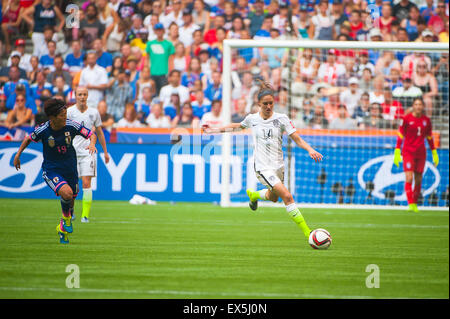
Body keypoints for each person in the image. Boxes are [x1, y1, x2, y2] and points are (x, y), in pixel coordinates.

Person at [202, 80, 323, 242]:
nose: (268, 106)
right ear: (259, 104)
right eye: (265, 104)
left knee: (273, 197)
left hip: (278, 166)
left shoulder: (282, 119)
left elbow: (297, 139)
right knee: (287, 196)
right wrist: (214, 130)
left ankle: (254, 196)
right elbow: (237, 126)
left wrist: (310, 149)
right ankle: (309, 234)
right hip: (262, 167)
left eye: (271, 103)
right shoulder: (253, 119)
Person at [13, 98, 97, 244]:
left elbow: (91, 134)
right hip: (52, 169)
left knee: (71, 202)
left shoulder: (71, 125)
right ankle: (65, 220)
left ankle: (62, 229)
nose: (65, 118)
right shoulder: (43, 130)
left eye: (66, 114)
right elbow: (28, 138)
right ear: (52, 117)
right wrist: (18, 154)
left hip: (70, 168)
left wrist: (92, 144)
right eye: (62, 115)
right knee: (67, 193)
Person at [67, 87, 110, 223]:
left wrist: (105, 151)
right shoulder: (69, 112)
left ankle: (85, 216)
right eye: (80, 94)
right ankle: (71, 210)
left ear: (87, 96)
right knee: (73, 186)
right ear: (75, 96)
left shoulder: (94, 113)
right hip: (72, 152)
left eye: (84, 94)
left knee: (86, 183)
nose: (82, 97)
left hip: (88, 152)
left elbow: (100, 132)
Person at [393, 97, 439, 213]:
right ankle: (410, 204)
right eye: (416, 104)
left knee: (418, 180)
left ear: (423, 107)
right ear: (413, 106)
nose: (418, 106)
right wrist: (397, 151)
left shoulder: (426, 121)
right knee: (409, 177)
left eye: (420, 104)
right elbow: (400, 135)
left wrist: (434, 152)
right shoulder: (406, 119)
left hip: (421, 153)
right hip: (408, 152)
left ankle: (414, 202)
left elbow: (429, 137)